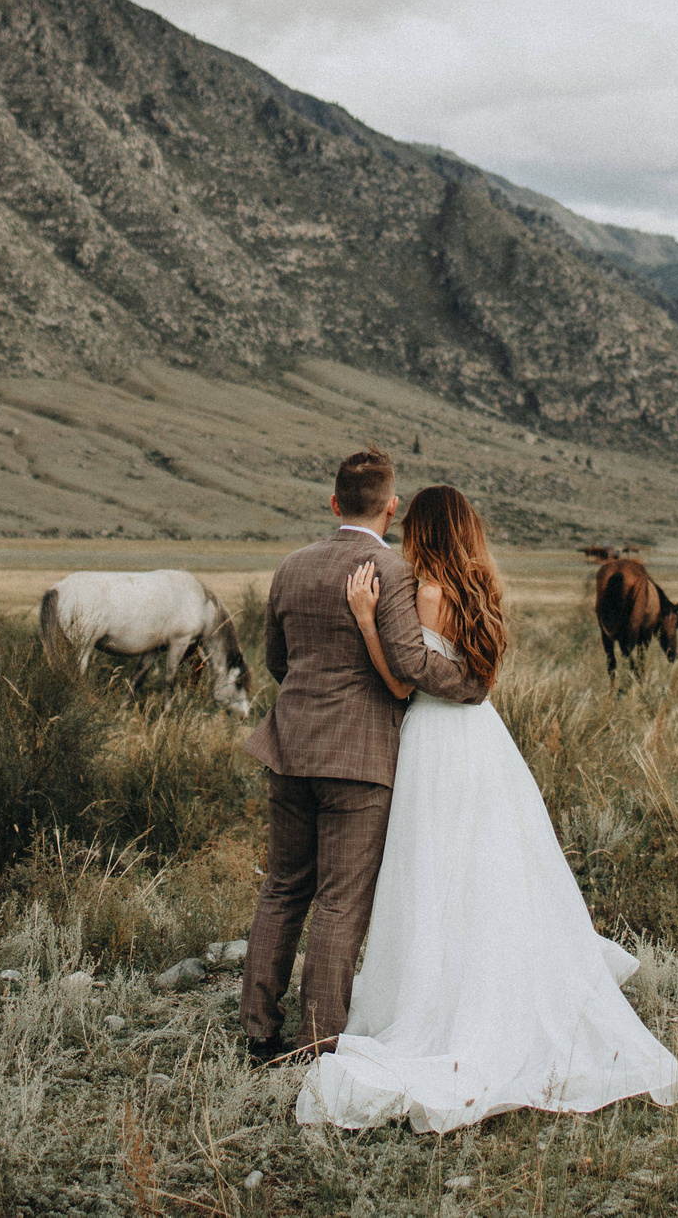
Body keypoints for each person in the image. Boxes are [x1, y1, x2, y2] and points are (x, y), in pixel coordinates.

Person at [295, 483, 678, 1132]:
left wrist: (366, 618)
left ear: (425, 533)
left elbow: (402, 682)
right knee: (491, 870)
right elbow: (475, 678)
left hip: (433, 740)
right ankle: (496, 982)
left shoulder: (426, 594)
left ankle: (443, 997)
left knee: (434, 870)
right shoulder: (482, 590)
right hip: (483, 740)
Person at [240, 448, 487, 1062]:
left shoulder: (291, 566)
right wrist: (471, 684)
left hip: (289, 748)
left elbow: (276, 660)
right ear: (391, 508)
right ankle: (318, 1040)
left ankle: (258, 1030)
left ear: (334, 503)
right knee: (341, 902)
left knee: (282, 888)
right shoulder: (392, 570)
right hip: (360, 759)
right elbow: (408, 663)